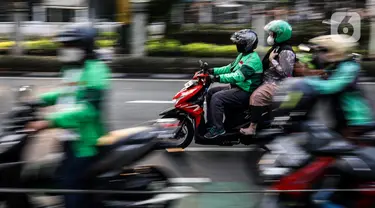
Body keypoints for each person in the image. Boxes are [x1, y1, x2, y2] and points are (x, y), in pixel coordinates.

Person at [25, 23, 110, 208]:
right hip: (70, 136)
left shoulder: (95, 71)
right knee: (61, 177)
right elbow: (66, 93)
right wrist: (38, 100)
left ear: (84, 47)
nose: (65, 49)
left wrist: (49, 121)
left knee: (70, 183)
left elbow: (88, 110)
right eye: (63, 45)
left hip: (86, 141)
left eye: (70, 45)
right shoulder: (72, 69)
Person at [204, 29, 263, 139]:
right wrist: (213, 71)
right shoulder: (243, 55)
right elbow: (230, 68)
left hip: (246, 91)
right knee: (211, 92)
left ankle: (218, 129)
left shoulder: (253, 60)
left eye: (240, 43)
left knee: (217, 98)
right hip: (239, 87)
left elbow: (238, 76)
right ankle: (212, 124)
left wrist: (217, 78)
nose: (237, 45)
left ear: (248, 44)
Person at [240, 20, 296, 135]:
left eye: (272, 34)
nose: (270, 36)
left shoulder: (286, 51)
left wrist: (272, 61)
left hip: (278, 84)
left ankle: (252, 128)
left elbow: (286, 73)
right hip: (268, 81)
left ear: (280, 35)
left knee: (257, 96)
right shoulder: (277, 47)